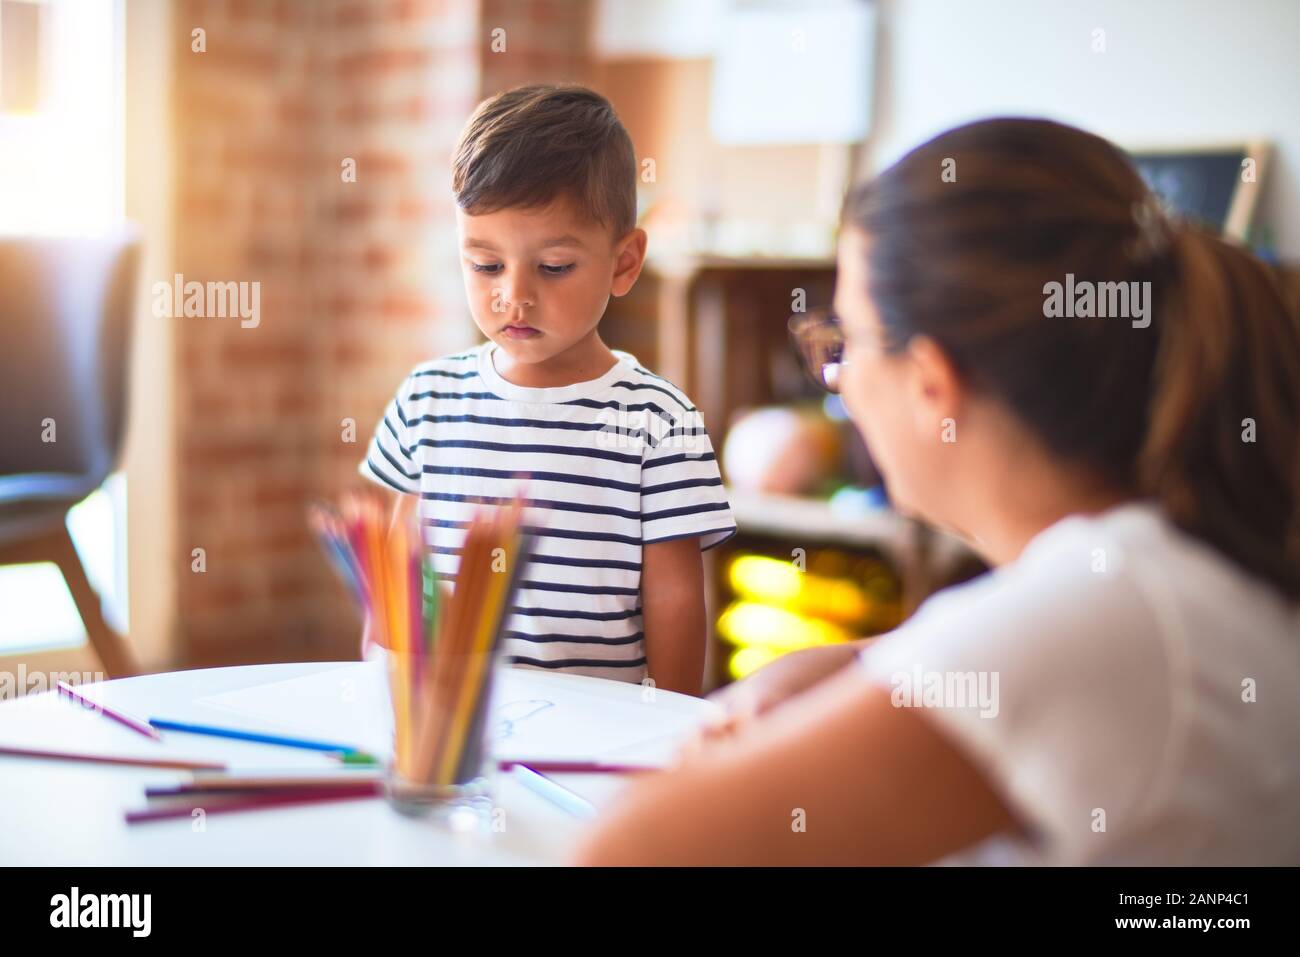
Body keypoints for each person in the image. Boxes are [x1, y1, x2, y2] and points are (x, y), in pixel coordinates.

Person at [574, 118, 1300, 865]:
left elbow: (624, 851)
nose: (841, 378)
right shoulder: (1166, 566)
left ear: (931, 383)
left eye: (845, 341)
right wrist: (859, 668)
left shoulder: (1103, 609)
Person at [361, 85, 735, 694]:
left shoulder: (659, 419)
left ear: (624, 263)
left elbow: (674, 595)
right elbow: (400, 563)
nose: (515, 294)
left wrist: (671, 727)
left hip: (594, 740)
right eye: (485, 265)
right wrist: (379, 681)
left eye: (554, 267)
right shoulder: (427, 399)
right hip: (451, 731)